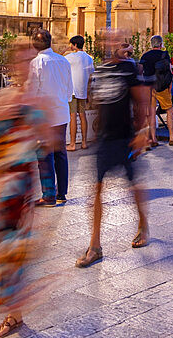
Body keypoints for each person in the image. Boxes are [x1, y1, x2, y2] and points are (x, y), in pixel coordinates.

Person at [0, 44, 52, 338]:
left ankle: (13, 312)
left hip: (20, 185)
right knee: (2, 250)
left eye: (28, 62)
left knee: (12, 252)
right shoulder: (0, 97)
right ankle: (14, 308)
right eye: (19, 61)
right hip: (0, 184)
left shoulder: (35, 103)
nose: (23, 66)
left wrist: (30, 126)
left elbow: (48, 142)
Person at [75, 34, 150, 267]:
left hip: (124, 137)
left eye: (115, 41)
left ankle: (143, 224)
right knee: (96, 190)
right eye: (107, 41)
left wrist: (141, 133)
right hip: (105, 139)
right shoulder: (100, 70)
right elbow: (96, 100)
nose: (110, 44)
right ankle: (95, 246)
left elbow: (141, 101)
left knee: (133, 187)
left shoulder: (129, 70)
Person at [27, 29, 73, 207]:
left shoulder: (36, 63)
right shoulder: (63, 61)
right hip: (61, 111)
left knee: (45, 155)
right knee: (60, 153)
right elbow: (70, 89)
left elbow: (32, 90)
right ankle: (62, 193)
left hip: (44, 115)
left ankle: (48, 195)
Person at [139, 35, 173, 147]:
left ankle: (153, 139)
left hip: (149, 86)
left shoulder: (145, 55)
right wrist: (170, 85)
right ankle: (172, 137)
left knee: (151, 112)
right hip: (162, 86)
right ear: (161, 44)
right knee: (169, 110)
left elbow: (140, 71)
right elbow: (169, 71)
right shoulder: (164, 55)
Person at [65, 35, 94, 151]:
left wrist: (64, 50)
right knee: (82, 115)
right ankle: (84, 142)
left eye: (71, 44)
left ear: (75, 45)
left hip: (73, 91)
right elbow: (91, 76)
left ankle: (72, 144)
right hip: (83, 90)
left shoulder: (70, 57)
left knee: (73, 116)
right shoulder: (88, 58)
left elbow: (58, 59)